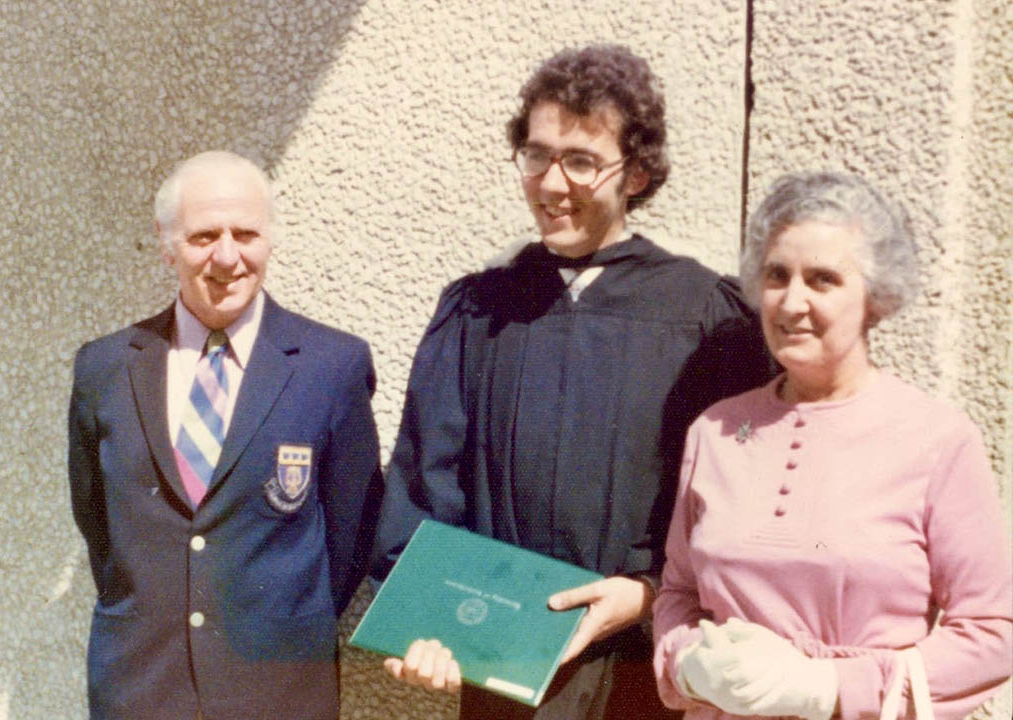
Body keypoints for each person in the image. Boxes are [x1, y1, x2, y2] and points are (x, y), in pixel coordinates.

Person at [371, 45, 774, 719]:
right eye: (537, 155)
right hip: (502, 662)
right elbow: (425, 484)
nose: (552, 184)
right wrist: (427, 624)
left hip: (649, 668)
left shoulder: (706, 315)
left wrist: (646, 595)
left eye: (581, 161)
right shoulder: (478, 310)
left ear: (637, 173)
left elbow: (739, 508)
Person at [652, 171, 1013, 720]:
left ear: (875, 296)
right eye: (777, 275)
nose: (791, 302)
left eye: (822, 280)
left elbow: (994, 633)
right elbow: (677, 593)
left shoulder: (936, 439)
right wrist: (688, 664)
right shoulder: (716, 431)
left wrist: (826, 686)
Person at [68, 151, 383, 719]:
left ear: (270, 240)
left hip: (278, 692)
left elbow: (350, 536)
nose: (227, 257)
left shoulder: (331, 367)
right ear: (166, 245)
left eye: (246, 234)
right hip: (142, 691)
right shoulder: (104, 368)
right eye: (203, 236)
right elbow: (99, 525)